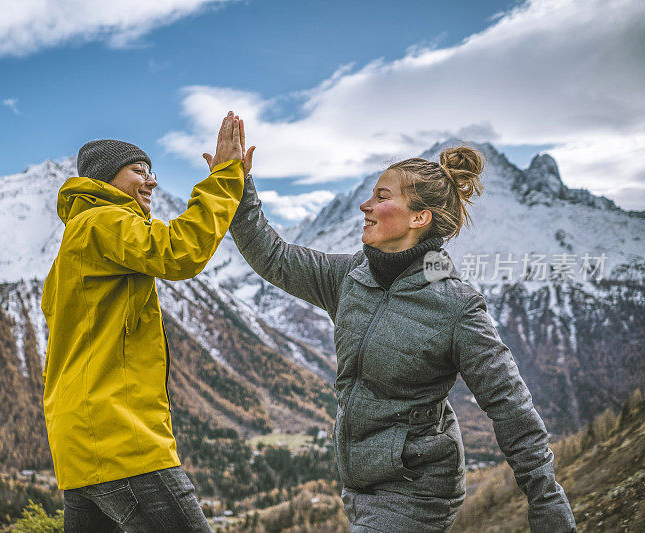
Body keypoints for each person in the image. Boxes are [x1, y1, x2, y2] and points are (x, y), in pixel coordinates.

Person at [223, 133, 576, 532]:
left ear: (418, 218)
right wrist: (236, 181)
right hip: (362, 484)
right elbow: (274, 257)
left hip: (418, 488)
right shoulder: (350, 276)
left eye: (381, 196)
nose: (365, 205)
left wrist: (546, 499)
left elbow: (509, 403)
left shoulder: (455, 306)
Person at [41, 111, 245, 532]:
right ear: (104, 179)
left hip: (82, 444)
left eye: (152, 171)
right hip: (120, 440)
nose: (152, 181)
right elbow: (179, 251)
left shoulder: (75, 242)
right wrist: (226, 177)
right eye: (139, 170)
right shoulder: (103, 221)